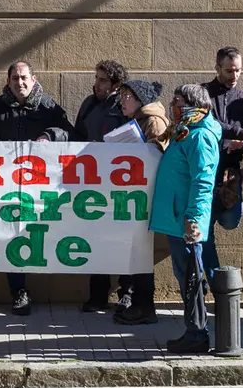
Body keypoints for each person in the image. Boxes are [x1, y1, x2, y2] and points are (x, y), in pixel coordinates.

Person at [0, 60, 78, 315]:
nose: (20, 83)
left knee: (39, 232)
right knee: (12, 234)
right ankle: (19, 292)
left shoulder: (49, 106)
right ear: (8, 81)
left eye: (24, 77)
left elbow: (69, 133)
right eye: (15, 78)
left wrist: (50, 136)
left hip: (41, 186)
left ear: (33, 79)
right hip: (6, 186)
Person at [149, 84, 221, 354]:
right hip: (178, 217)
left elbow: (203, 181)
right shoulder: (184, 132)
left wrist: (193, 218)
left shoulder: (200, 137)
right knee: (186, 274)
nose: (172, 105)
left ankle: (197, 333)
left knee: (190, 274)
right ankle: (195, 330)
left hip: (186, 221)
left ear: (192, 104)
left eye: (177, 101)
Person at [73, 60, 130, 313]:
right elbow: (76, 138)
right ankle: (97, 295)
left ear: (116, 84)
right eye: (96, 78)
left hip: (120, 187)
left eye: (103, 80)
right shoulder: (88, 105)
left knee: (123, 240)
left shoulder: (124, 106)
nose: (96, 84)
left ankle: (126, 293)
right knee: (95, 239)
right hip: (92, 185)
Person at [113, 79, 170, 325]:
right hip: (136, 196)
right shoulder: (139, 120)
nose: (122, 100)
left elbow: (156, 157)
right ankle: (139, 304)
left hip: (145, 197)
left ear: (140, 99)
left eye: (127, 96)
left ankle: (144, 306)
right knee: (135, 251)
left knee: (140, 252)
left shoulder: (153, 121)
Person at [202, 47, 243, 283]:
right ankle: (216, 285)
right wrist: (239, 132)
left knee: (231, 220)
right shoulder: (203, 94)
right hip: (205, 170)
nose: (234, 75)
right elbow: (209, 122)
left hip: (230, 173)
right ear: (217, 68)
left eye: (238, 70)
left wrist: (241, 145)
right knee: (205, 233)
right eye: (229, 70)